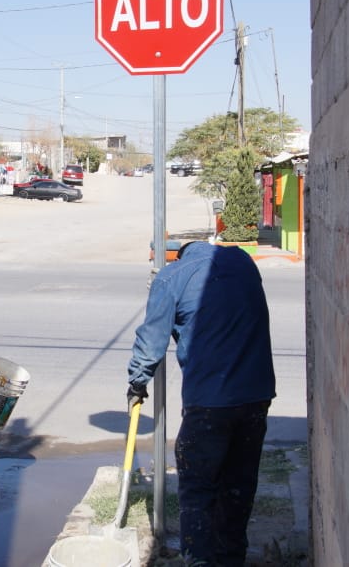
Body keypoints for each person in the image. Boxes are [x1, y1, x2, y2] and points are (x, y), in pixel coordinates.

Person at [127, 241, 276, 565]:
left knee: (198, 490)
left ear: (178, 256)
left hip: (209, 402)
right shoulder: (243, 263)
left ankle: (200, 560)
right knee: (238, 487)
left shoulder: (171, 277)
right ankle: (231, 558)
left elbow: (152, 343)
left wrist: (137, 382)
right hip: (256, 396)